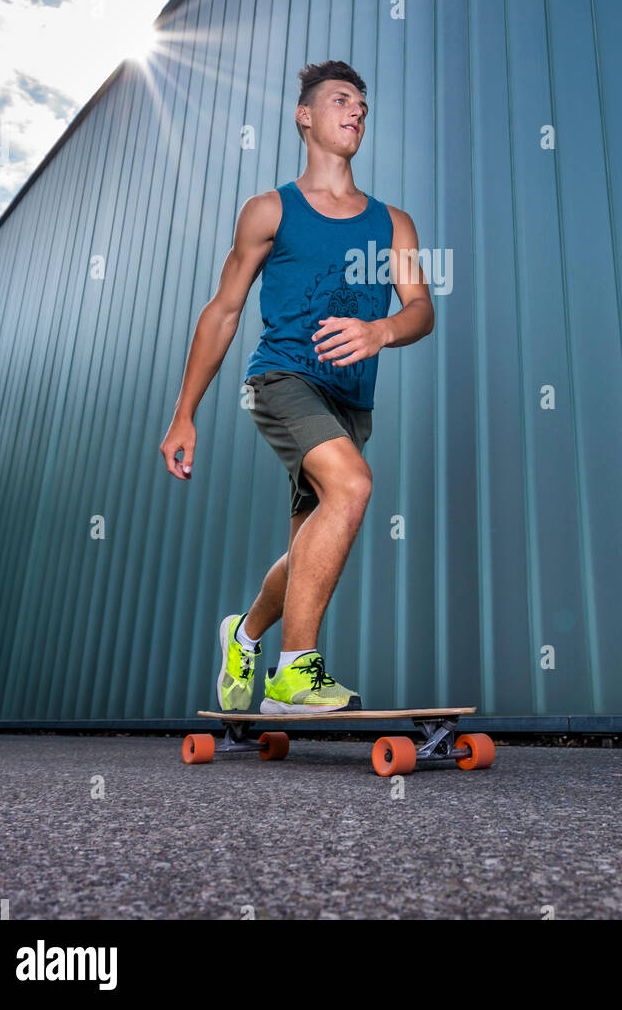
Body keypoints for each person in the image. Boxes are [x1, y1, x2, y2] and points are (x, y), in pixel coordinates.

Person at [159, 60, 434, 714]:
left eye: (362, 106)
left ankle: (246, 633)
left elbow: (420, 308)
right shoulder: (268, 210)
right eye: (341, 100)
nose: (356, 112)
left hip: (348, 399)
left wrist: (381, 332)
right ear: (303, 115)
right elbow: (223, 310)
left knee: (310, 538)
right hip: (279, 378)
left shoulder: (393, 222)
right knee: (355, 485)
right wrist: (183, 414)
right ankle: (293, 675)